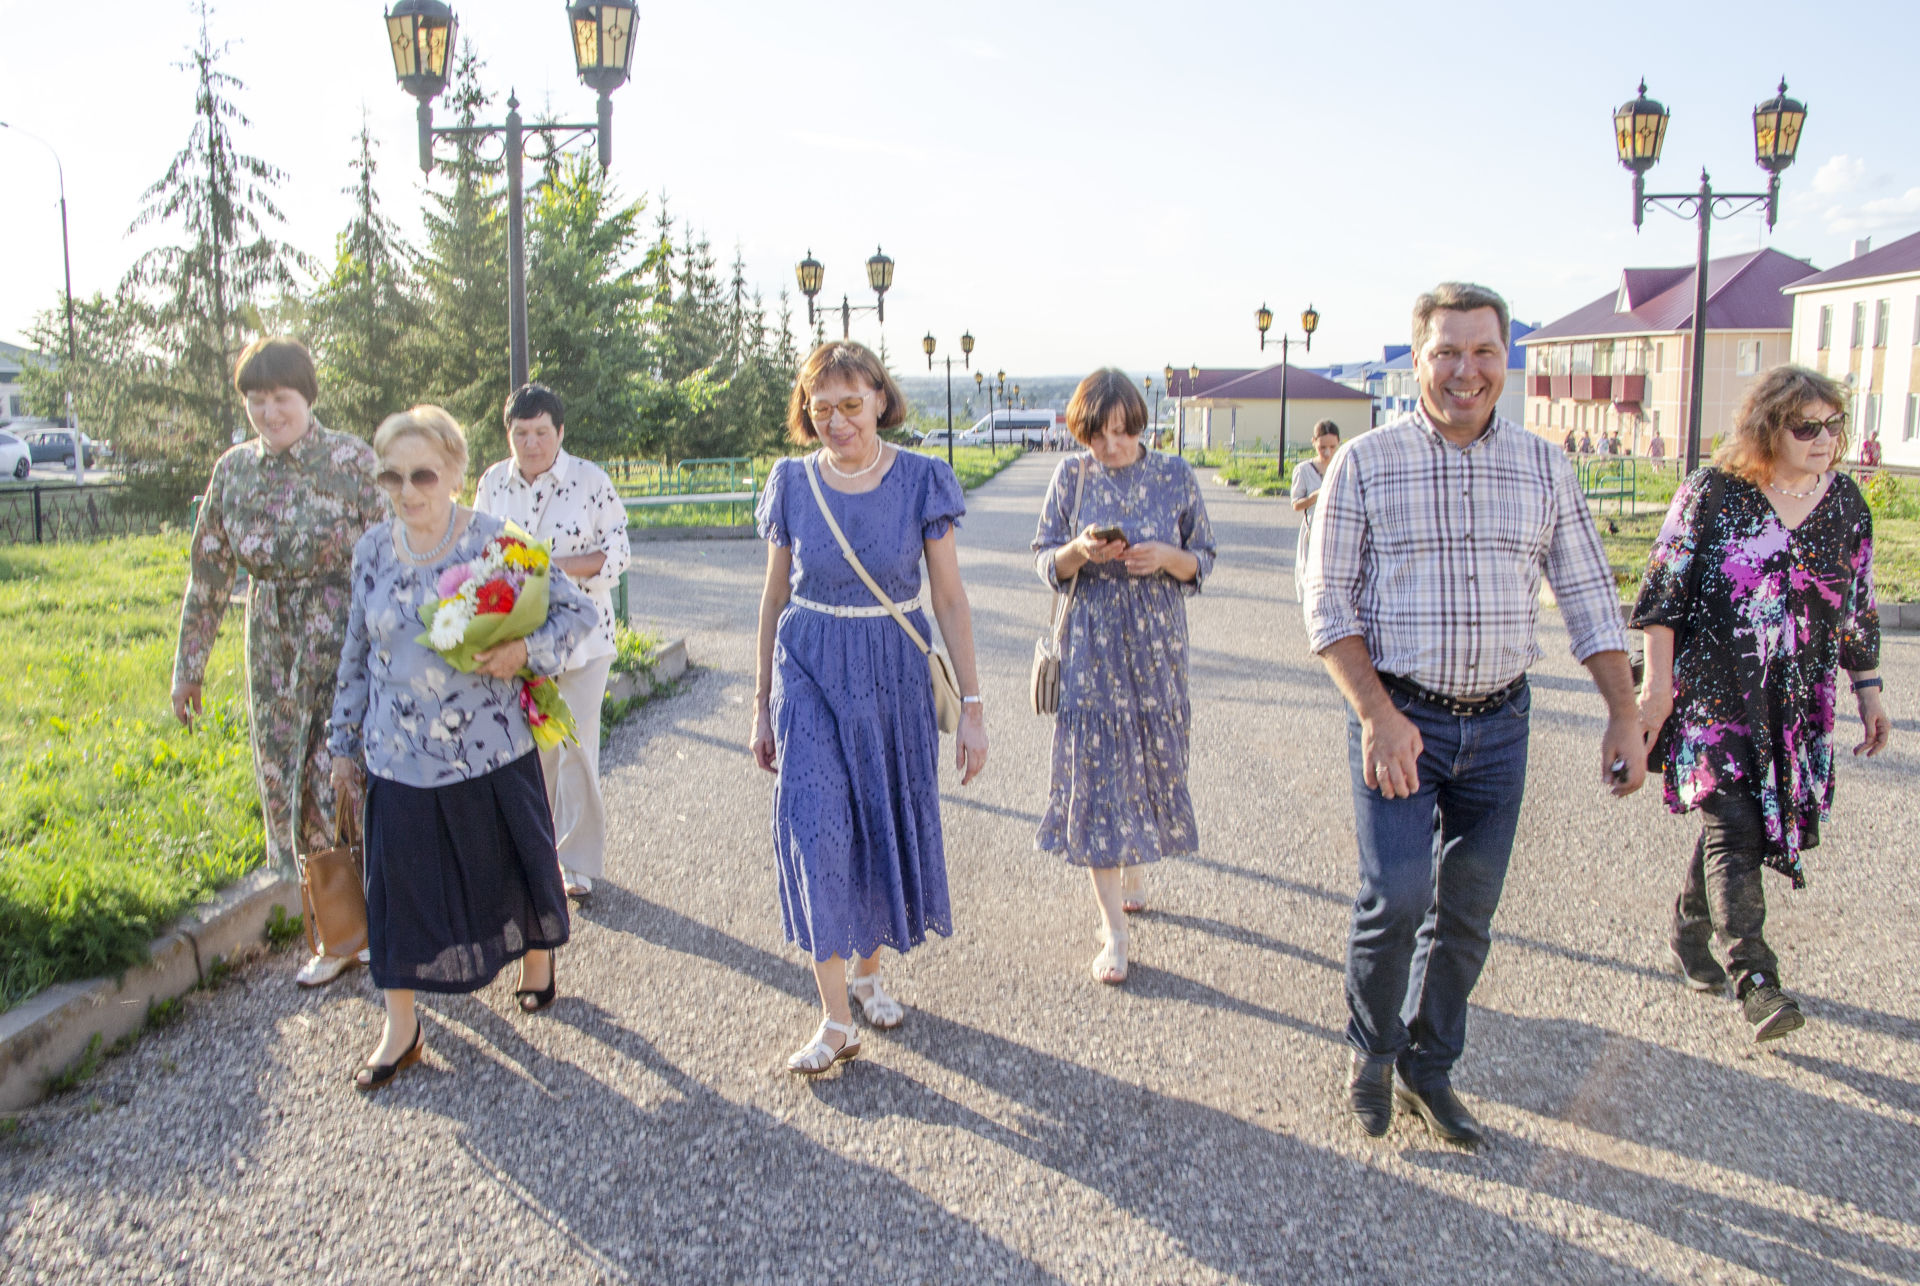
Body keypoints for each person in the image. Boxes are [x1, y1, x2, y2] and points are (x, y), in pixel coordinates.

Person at [1302, 282, 1645, 1146]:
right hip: (1399, 716)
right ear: (1416, 359)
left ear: (1506, 359)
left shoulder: (1543, 466)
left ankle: (1429, 1065)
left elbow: (1591, 598)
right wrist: (1378, 715)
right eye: (1446, 352)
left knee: (1468, 913)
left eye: (1485, 352)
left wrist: (1624, 714)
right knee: (1397, 896)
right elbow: (1328, 605)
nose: (1467, 371)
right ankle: (1373, 1049)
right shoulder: (1366, 463)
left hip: (1500, 726)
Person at [328, 406, 596, 1091]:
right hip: (396, 755)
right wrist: (341, 745)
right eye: (393, 475)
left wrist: (523, 650)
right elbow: (356, 654)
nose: (408, 489)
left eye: (423, 474)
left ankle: (537, 956)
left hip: (487, 747)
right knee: (396, 892)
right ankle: (401, 1027)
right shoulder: (371, 551)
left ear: (453, 472)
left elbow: (576, 611)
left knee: (507, 864)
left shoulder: (493, 541)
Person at [750, 341, 990, 1075]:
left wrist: (974, 707)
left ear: (881, 399)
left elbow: (948, 596)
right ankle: (835, 1017)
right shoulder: (790, 483)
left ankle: (868, 972)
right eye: (820, 408)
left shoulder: (923, 480)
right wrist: (761, 702)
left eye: (851, 405)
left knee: (878, 819)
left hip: (892, 669)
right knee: (817, 825)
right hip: (811, 666)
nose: (837, 421)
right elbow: (773, 595)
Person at [1633, 366, 1888, 1042]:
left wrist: (1870, 691)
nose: (1824, 439)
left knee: (1741, 826)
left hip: (1794, 707)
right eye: (1806, 426)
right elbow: (1662, 599)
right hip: (1716, 694)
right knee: (1736, 825)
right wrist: (1656, 692)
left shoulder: (1846, 506)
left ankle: (1691, 930)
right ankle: (1756, 979)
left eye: (1834, 425)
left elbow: (1856, 608)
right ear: (1767, 425)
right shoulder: (1713, 495)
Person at [171, 336, 387, 989]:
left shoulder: (351, 459)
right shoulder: (233, 472)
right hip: (273, 644)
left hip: (352, 637)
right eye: (256, 401)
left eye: (281, 398)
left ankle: (393, 921)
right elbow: (207, 573)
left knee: (353, 779)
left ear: (307, 397)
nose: (269, 413)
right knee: (295, 789)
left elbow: (395, 549)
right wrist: (189, 667)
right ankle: (342, 933)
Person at [1032, 370, 1216, 984]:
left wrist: (1166, 557)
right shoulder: (1071, 476)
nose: (1111, 448)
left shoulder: (1174, 475)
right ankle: (1113, 931)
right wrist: (1079, 552)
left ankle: (1133, 861)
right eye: (1097, 436)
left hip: (1156, 650)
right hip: (1091, 649)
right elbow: (1042, 560)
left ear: (1138, 424)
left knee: (1150, 765)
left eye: (1121, 433)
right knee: (1097, 777)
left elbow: (1204, 560)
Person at [474, 383, 631, 901]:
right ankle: (538, 851)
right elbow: (479, 552)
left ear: (560, 432)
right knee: (534, 749)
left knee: (576, 746)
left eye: (542, 432)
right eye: (522, 433)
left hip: (584, 638)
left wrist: (544, 569)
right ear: (509, 435)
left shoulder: (591, 480)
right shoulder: (494, 482)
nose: (532, 443)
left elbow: (616, 555)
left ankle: (579, 862)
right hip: (522, 642)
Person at [1289, 420, 1340, 603]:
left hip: (1340, 532)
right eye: (1322, 447)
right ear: (1314, 443)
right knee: (1312, 582)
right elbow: (1296, 504)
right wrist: (1314, 497)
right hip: (1313, 532)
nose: (1327, 453)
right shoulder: (1303, 470)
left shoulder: (1343, 467)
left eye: (1332, 447)